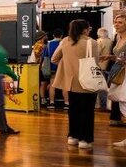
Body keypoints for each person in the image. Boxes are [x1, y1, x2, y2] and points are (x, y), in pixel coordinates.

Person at [51, 19, 99, 150]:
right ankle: (85, 139)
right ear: (85, 29)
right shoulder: (92, 43)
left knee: (74, 110)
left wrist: (68, 64)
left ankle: (73, 136)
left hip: (71, 82)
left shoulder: (65, 41)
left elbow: (54, 58)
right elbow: (95, 62)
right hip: (87, 81)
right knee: (87, 112)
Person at [104, 13, 126, 127]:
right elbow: (120, 56)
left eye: (120, 22)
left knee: (124, 101)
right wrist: (112, 57)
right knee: (120, 100)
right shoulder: (118, 37)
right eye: (116, 22)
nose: (117, 24)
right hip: (119, 71)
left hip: (124, 73)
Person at [45, 29, 64, 109]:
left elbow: (45, 56)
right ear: (61, 35)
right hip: (63, 66)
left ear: (53, 35)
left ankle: (52, 103)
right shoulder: (64, 43)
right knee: (64, 85)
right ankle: (67, 103)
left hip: (52, 67)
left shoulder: (49, 44)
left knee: (52, 84)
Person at [96, 28, 113, 111]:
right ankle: (110, 105)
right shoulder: (111, 41)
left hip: (101, 66)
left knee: (101, 87)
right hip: (110, 66)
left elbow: (97, 54)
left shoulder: (99, 42)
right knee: (109, 87)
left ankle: (103, 106)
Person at [32, 33, 50, 107]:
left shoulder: (38, 45)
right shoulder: (40, 45)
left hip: (38, 67)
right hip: (38, 67)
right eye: (45, 35)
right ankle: (42, 99)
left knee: (43, 82)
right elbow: (37, 57)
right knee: (43, 83)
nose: (46, 37)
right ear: (42, 37)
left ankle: (43, 99)